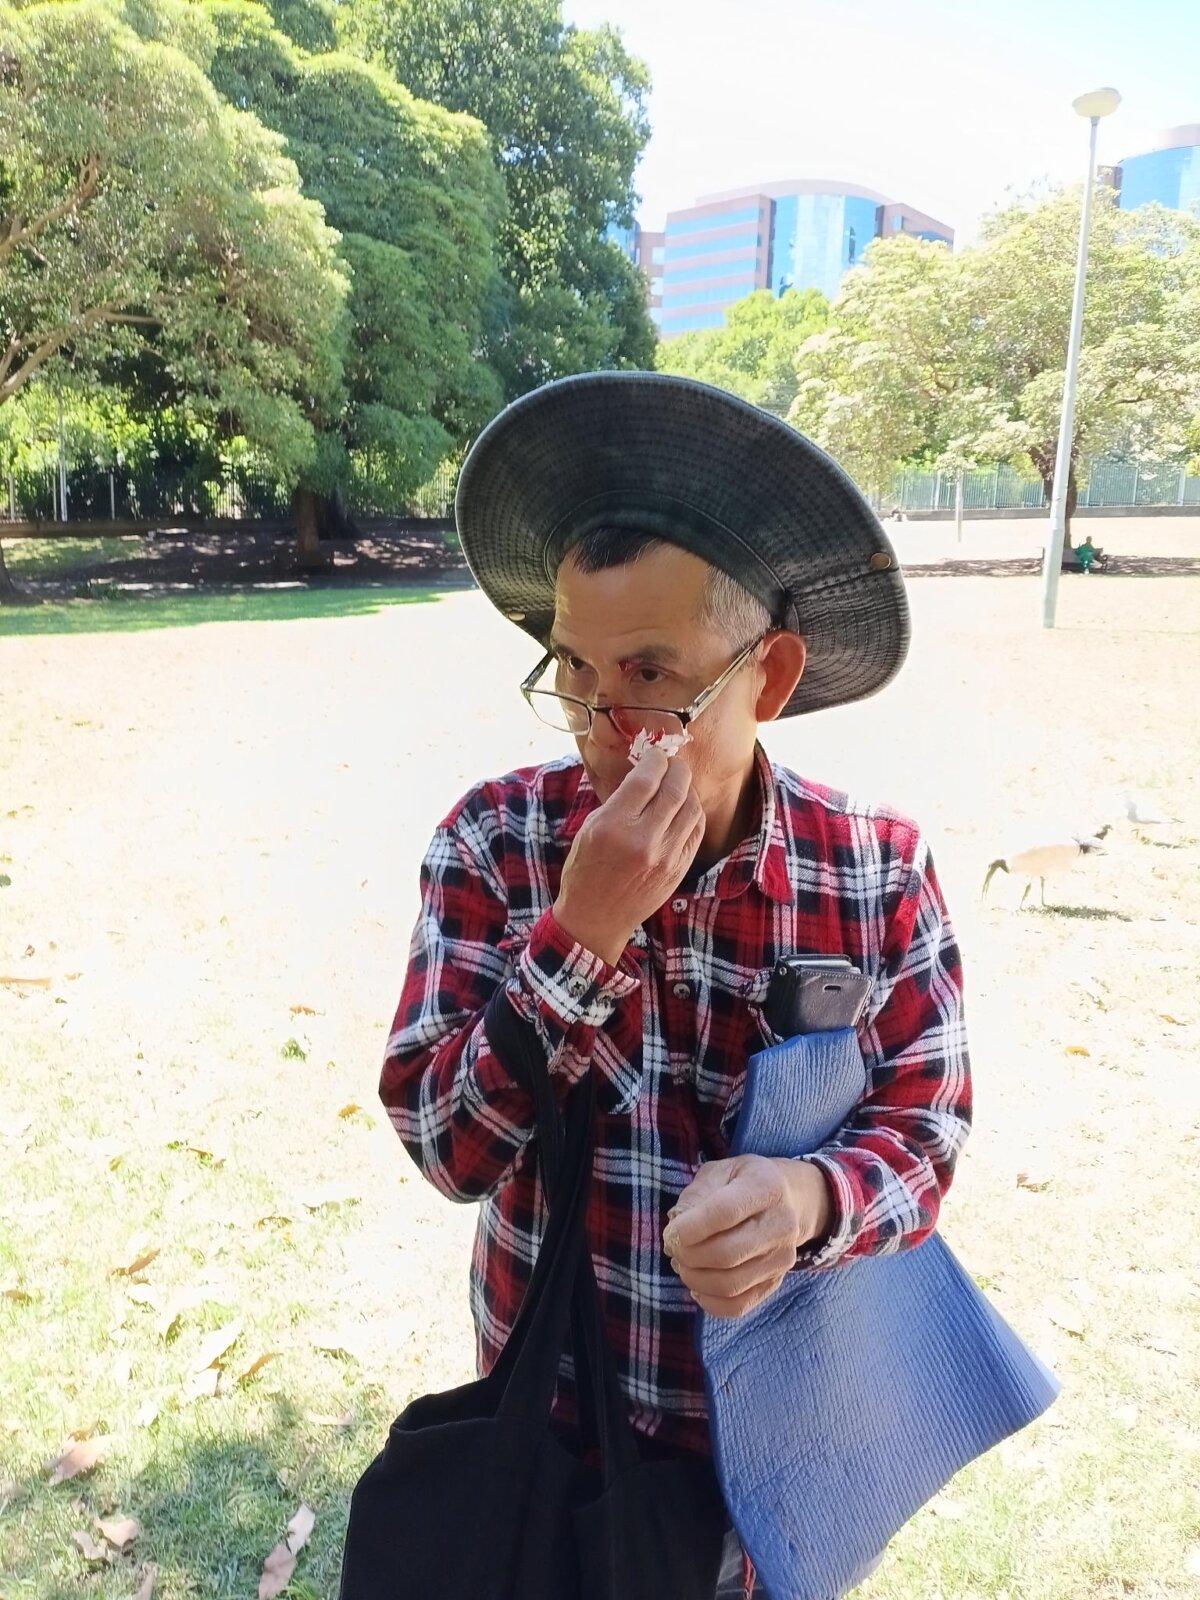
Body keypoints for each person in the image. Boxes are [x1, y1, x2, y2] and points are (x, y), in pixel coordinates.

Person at [378, 372, 972, 1599]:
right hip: (547, 1420)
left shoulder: (874, 871)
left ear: (768, 677)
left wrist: (812, 1195)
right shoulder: (496, 843)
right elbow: (447, 1144)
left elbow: (928, 1124)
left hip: (774, 1445)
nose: (603, 724)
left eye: (652, 675)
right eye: (575, 672)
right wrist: (581, 931)